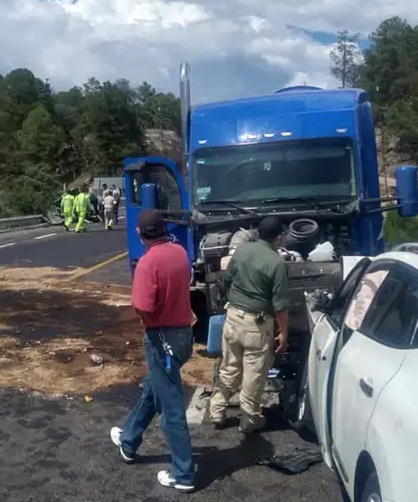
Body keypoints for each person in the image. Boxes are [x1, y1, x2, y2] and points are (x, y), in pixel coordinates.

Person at [110, 209, 196, 492]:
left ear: (140, 233)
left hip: (162, 339)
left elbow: (143, 306)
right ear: (163, 228)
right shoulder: (180, 252)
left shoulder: (148, 263)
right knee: (152, 389)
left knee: (171, 406)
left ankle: (183, 474)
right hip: (184, 334)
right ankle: (129, 441)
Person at [208, 216, 289, 434]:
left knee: (229, 367)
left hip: (233, 318)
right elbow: (280, 305)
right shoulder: (277, 263)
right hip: (257, 325)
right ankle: (250, 420)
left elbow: (227, 279)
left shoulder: (242, 250)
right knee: (254, 374)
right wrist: (283, 333)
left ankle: (216, 410)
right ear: (278, 239)